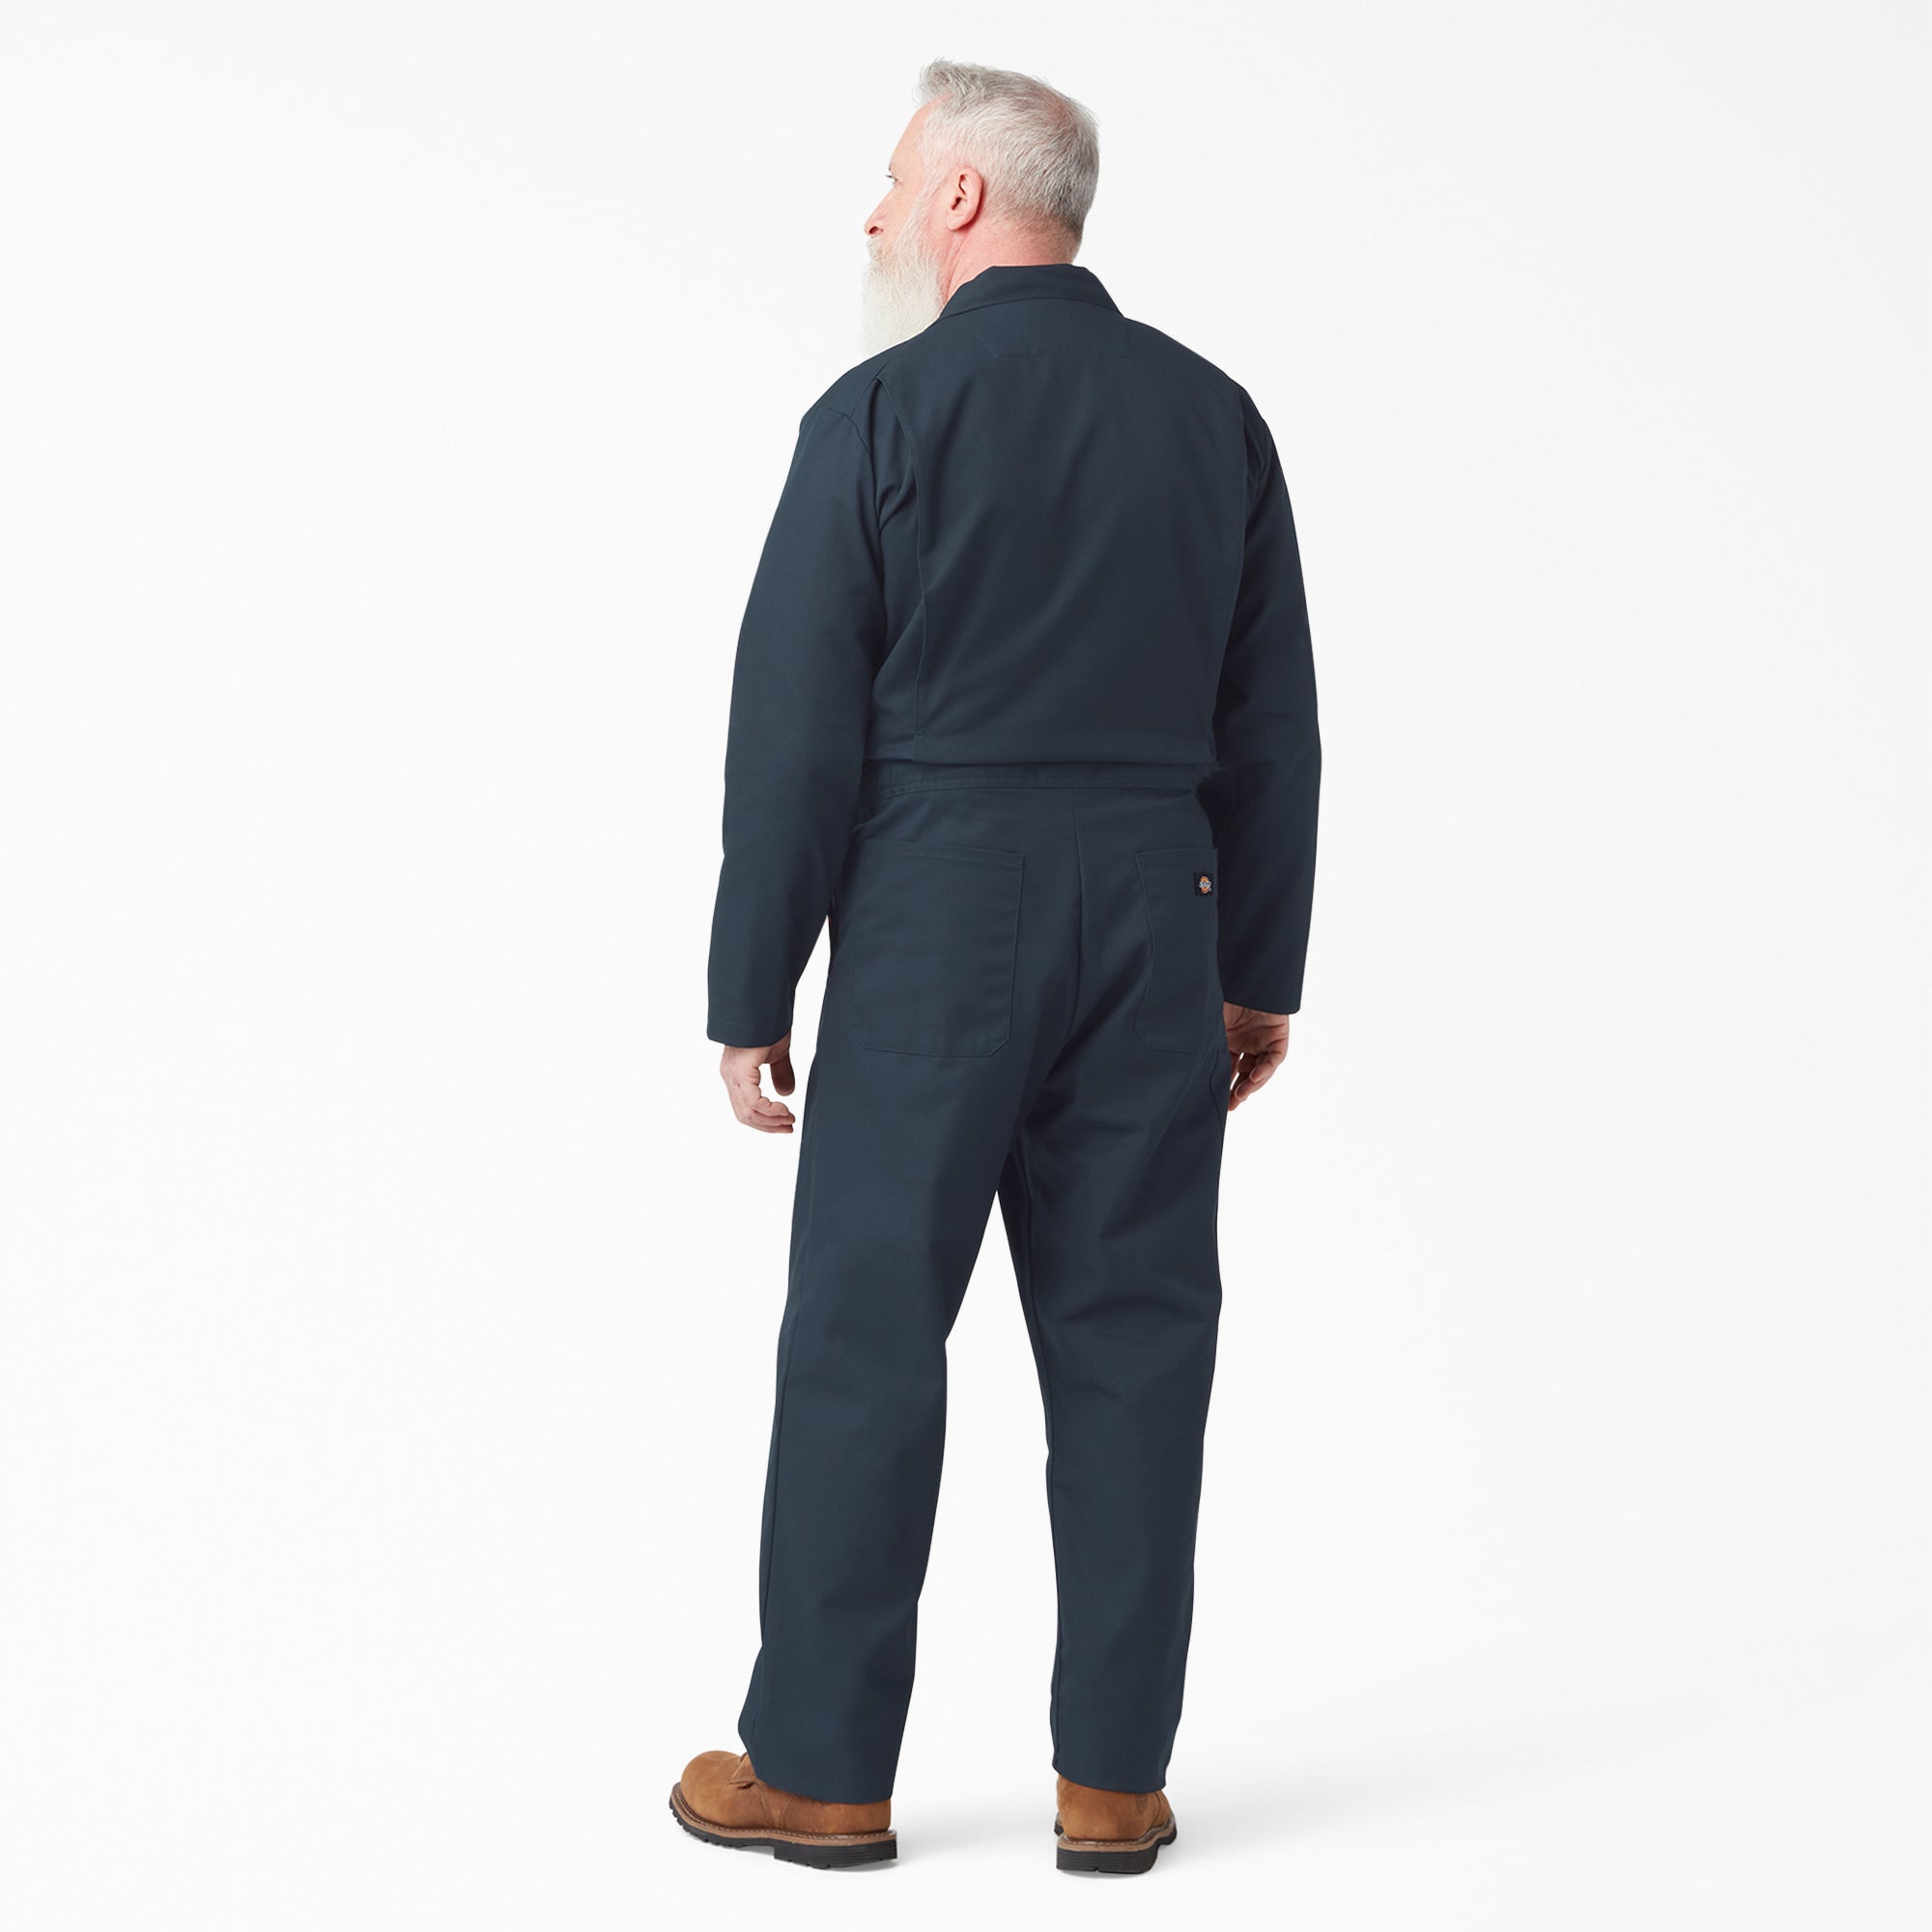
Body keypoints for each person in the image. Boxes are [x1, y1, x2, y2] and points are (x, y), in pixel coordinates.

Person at [672, 58, 1320, 1875]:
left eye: (895, 180)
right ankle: (1113, 1781)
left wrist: (752, 987)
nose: (875, 212)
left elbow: (792, 732)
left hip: (935, 921)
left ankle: (822, 1772)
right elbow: (1272, 723)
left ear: (964, 197)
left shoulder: (878, 413)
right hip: (1158, 912)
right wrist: (1256, 965)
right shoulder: (1214, 418)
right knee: (1137, 1344)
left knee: (867, 1340)